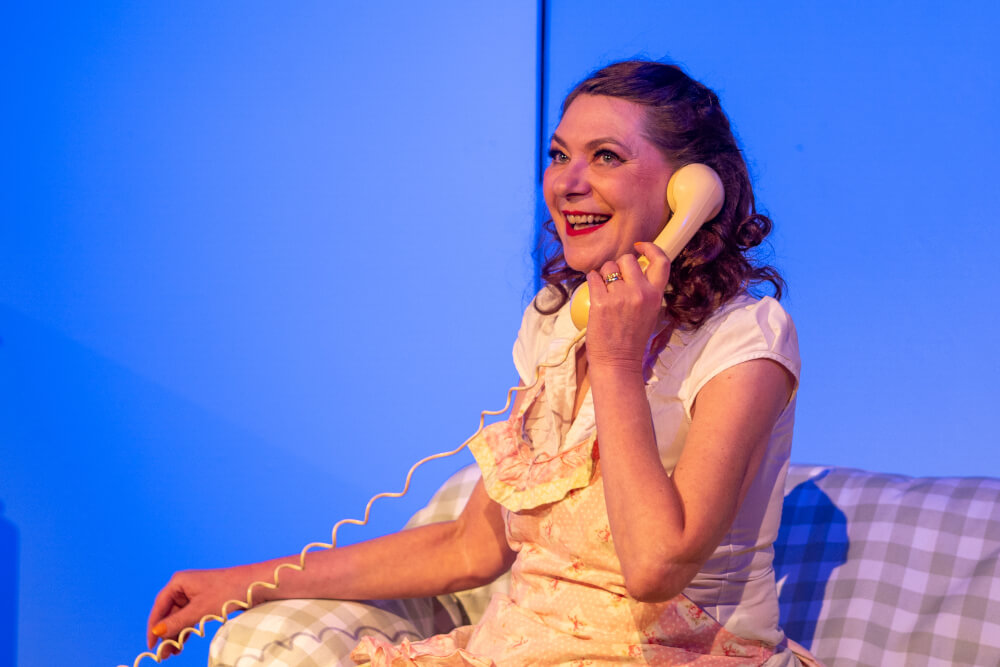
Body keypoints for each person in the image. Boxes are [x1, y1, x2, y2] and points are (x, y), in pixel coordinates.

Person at [147, 60, 816, 666]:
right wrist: (243, 584)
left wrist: (616, 361)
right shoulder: (555, 323)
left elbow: (653, 567)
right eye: (559, 155)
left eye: (606, 156)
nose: (567, 184)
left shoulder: (744, 338)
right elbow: (468, 547)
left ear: (692, 191)